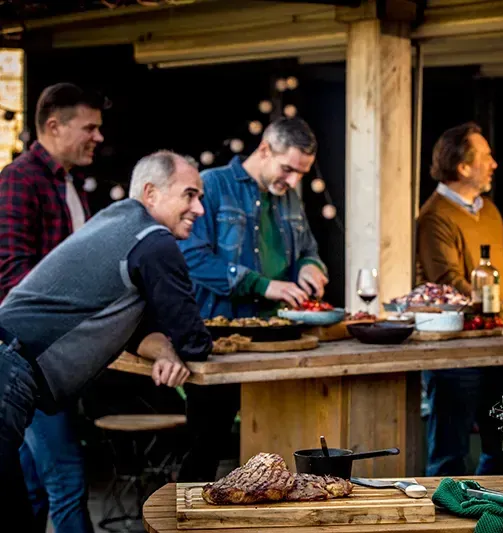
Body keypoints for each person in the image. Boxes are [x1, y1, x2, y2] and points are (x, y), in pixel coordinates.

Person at [0, 150, 213, 529]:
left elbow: (138, 329)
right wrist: (176, 346)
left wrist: (165, 348)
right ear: (151, 193)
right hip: (10, 373)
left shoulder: (117, 224)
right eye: (189, 195)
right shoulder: (154, 240)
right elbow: (194, 340)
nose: (199, 208)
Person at [177, 116, 327, 482]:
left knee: (282, 451)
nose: (294, 181)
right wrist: (261, 285)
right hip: (220, 341)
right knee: (206, 450)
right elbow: (192, 257)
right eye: (288, 169)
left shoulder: (289, 195)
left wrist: (310, 267)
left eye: (301, 173)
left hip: (280, 341)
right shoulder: (212, 185)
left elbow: (308, 249)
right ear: (264, 150)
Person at [0, 82, 104, 532]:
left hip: (58, 357)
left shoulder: (72, 183)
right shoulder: (19, 180)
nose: (98, 137)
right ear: (55, 125)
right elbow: (11, 276)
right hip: (29, 355)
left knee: (34, 485)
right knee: (66, 480)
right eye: (90, 127)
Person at [415, 121, 503, 476]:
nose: (493, 163)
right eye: (485, 156)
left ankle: (491, 509)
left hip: (497, 345)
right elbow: (449, 284)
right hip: (456, 352)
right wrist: (502, 308)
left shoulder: (490, 211)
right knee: (449, 456)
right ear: (463, 167)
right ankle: (446, 510)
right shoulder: (434, 216)